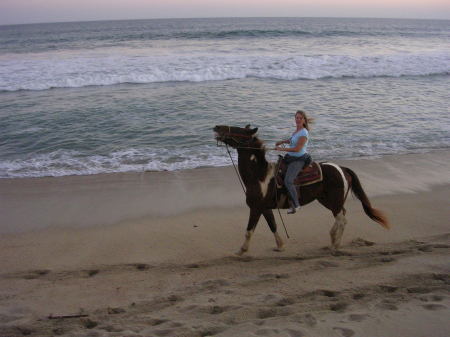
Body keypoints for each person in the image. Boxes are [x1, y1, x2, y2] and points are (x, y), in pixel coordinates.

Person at [274, 110, 312, 214]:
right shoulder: (296, 131)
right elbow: (292, 140)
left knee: (288, 181)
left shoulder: (304, 132)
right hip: (290, 157)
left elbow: (297, 149)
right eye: (297, 118)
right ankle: (287, 201)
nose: (298, 120)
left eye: (300, 118)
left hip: (299, 159)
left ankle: (296, 204)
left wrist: (281, 149)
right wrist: (282, 142)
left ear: (304, 120)